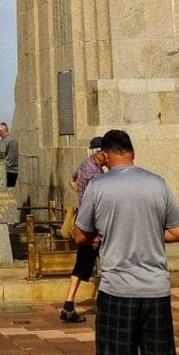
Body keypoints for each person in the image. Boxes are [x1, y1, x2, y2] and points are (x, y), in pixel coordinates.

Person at [74, 129, 179, 354]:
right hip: (155, 290)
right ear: (132, 153)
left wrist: (107, 232)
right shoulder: (158, 184)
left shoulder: (98, 187)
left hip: (117, 289)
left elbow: (79, 235)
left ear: (105, 156)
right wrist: (150, 231)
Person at [59, 135, 107, 323]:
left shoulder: (84, 165)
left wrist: (79, 192)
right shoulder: (97, 174)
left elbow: (72, 179)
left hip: (84, 224)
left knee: (80, 266)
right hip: (94, 227)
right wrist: (96, 233)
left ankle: (68, 305)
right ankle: (105, 304)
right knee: (109, 266)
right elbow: (97, 204)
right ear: (100, 153)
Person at [0, 121, 19, 187]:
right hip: (16, 170)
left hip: (8, 170)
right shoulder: (14, 139)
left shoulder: (4, 141)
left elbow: (1, 154)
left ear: (2, 131)